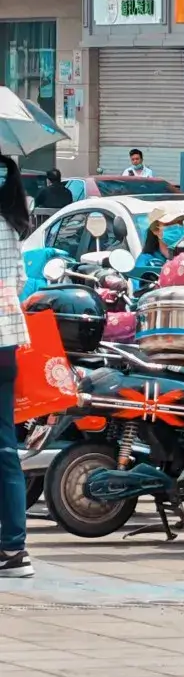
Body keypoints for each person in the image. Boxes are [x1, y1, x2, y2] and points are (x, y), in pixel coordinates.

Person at [0, 156, 33, 578]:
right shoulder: (10, 226)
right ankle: (13, 549)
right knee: (6, 447)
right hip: (6, 343)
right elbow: (20, 280)